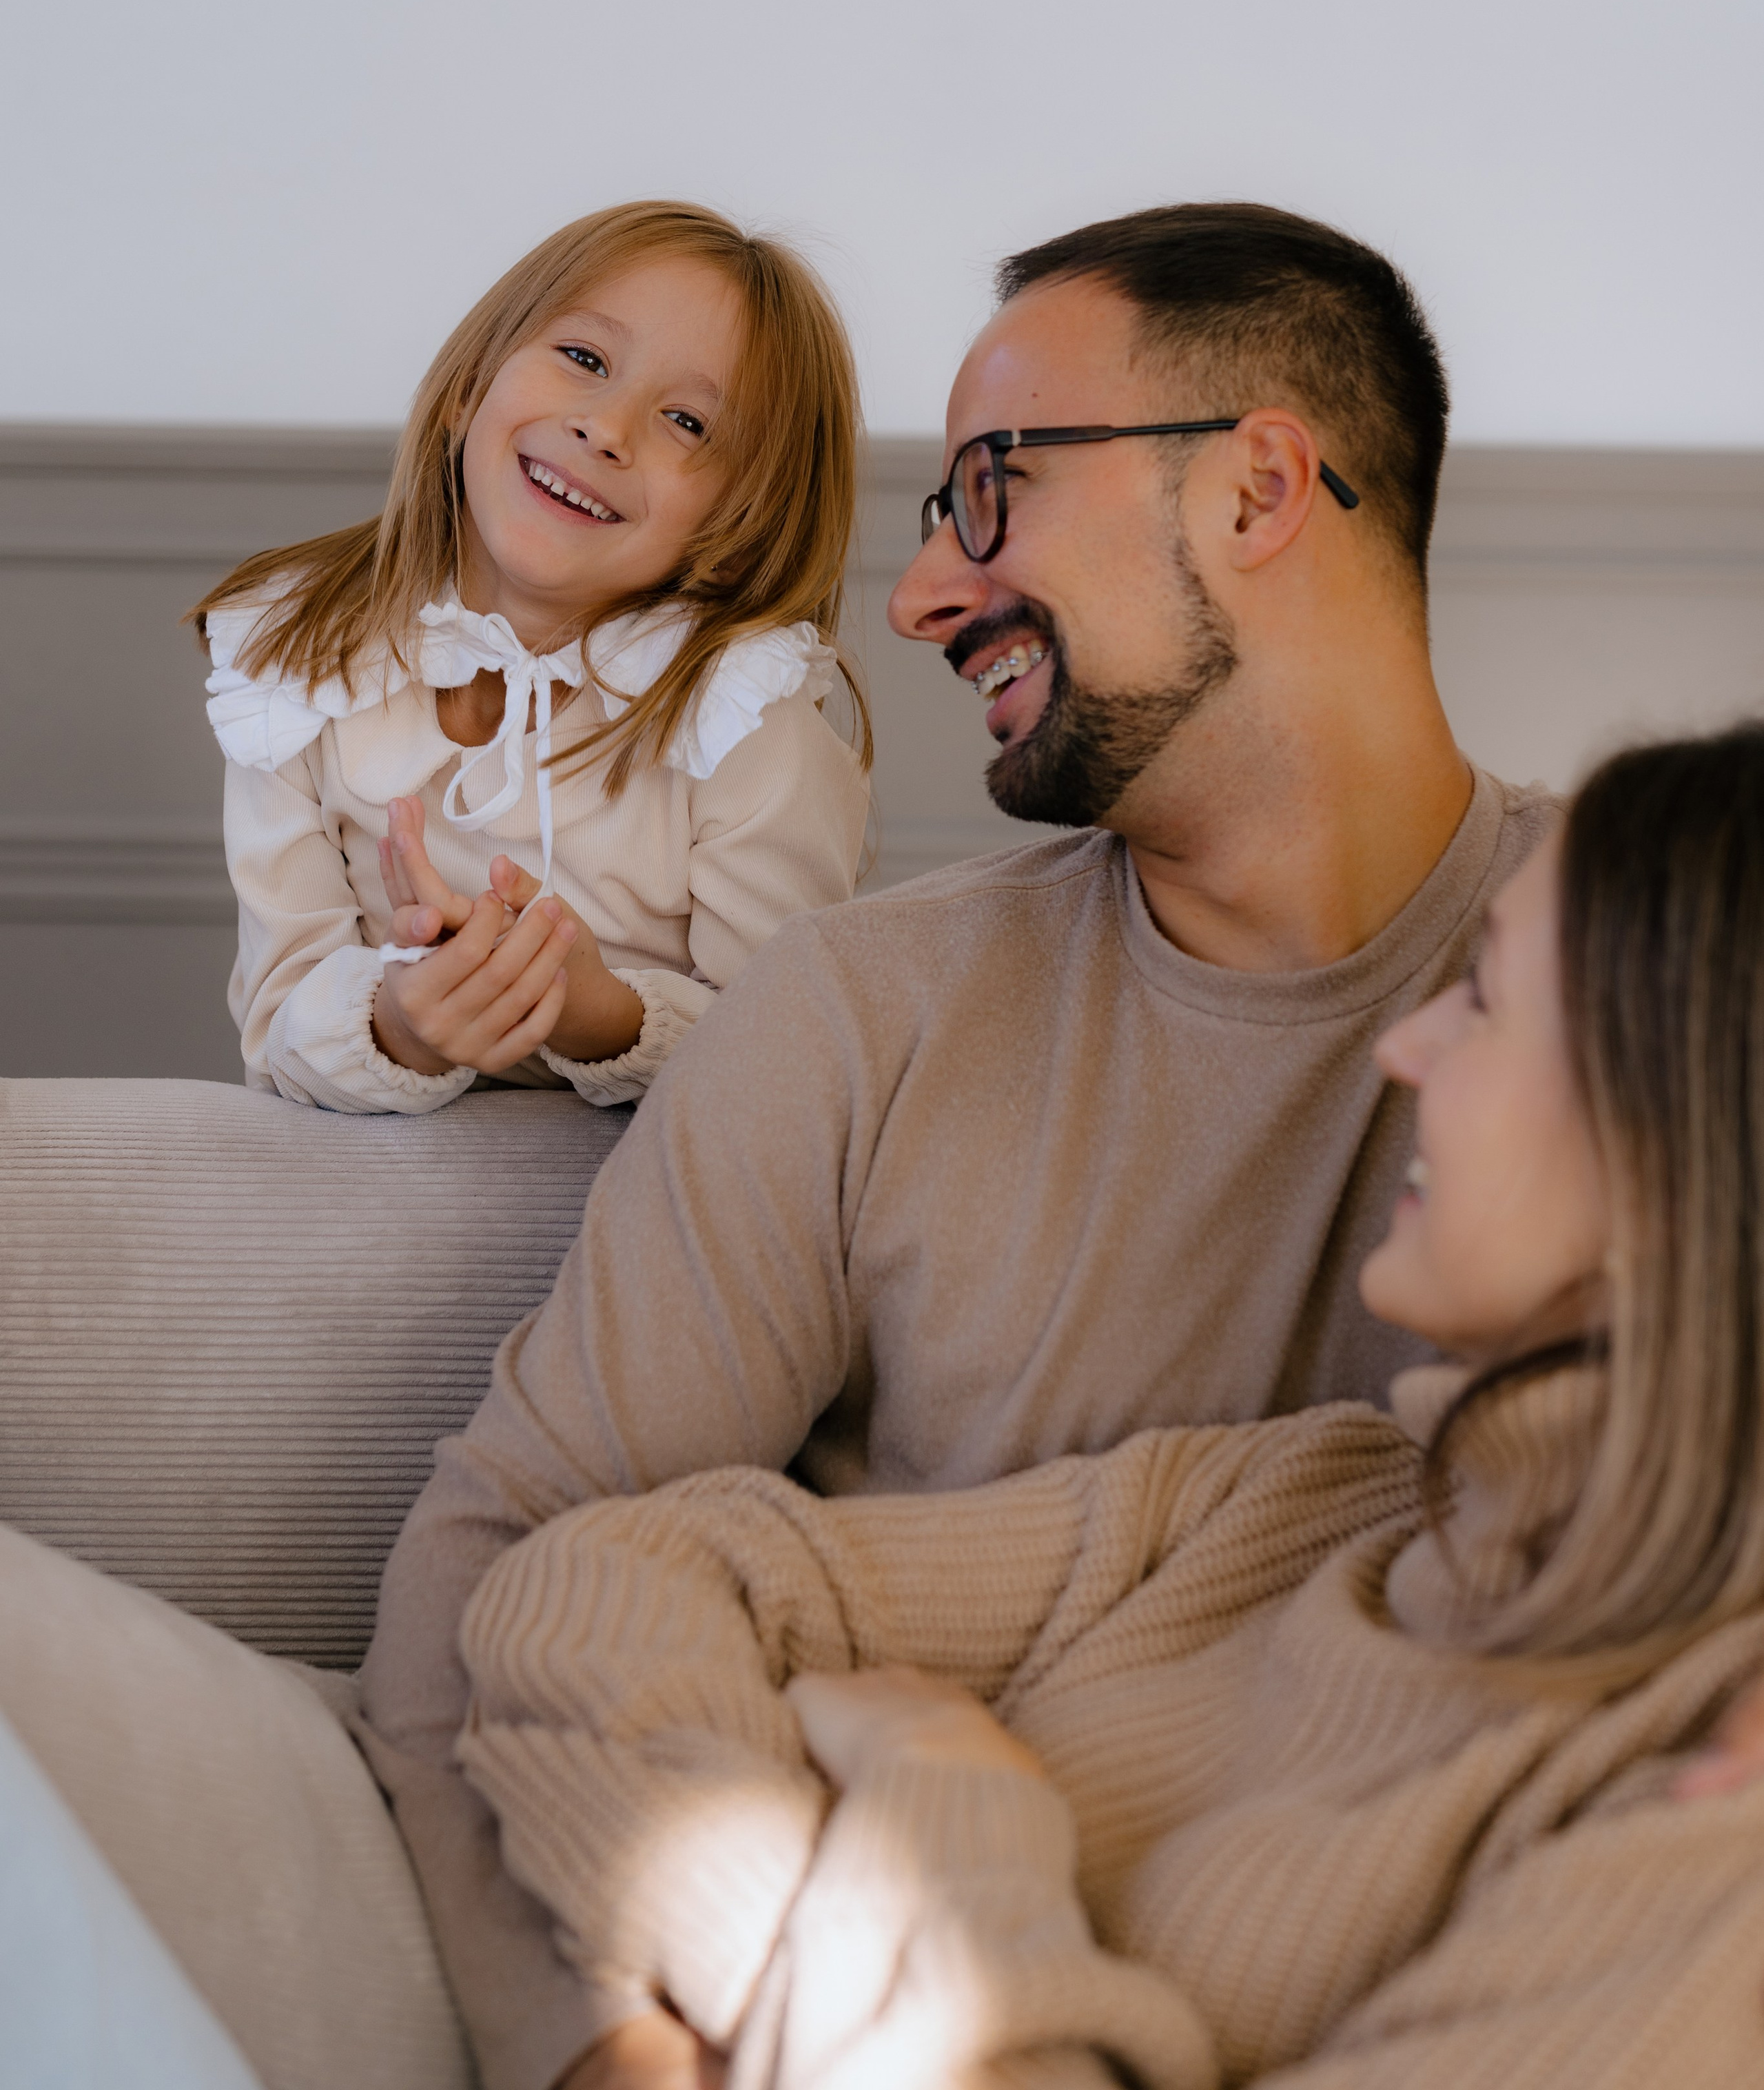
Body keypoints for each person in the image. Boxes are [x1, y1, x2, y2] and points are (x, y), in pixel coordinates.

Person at [355, 201, 1561, 2089]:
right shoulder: (861, 1013)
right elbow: (510, 1562)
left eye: (988, 491)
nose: (919, 597)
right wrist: (600, 2046)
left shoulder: (1651, 999)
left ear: (1259, 487)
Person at [453, 721, 1764, 2090]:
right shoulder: (1319, 1502)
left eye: (1485, 999)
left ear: (1675, 1151)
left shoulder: (1704, 1821)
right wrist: (789, 1981)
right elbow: (592, 1584)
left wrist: (940, 1807)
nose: (1406, 1045)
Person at [192, 201, 871, 1114]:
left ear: (742, 522)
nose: (607, 428)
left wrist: (591, 1013)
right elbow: (277, 1028)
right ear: (471, 384)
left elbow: (788, 1071)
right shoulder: (302, 666)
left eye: (688, 422)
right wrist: (401, 1024)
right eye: (584, 359)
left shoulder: (748, 728)